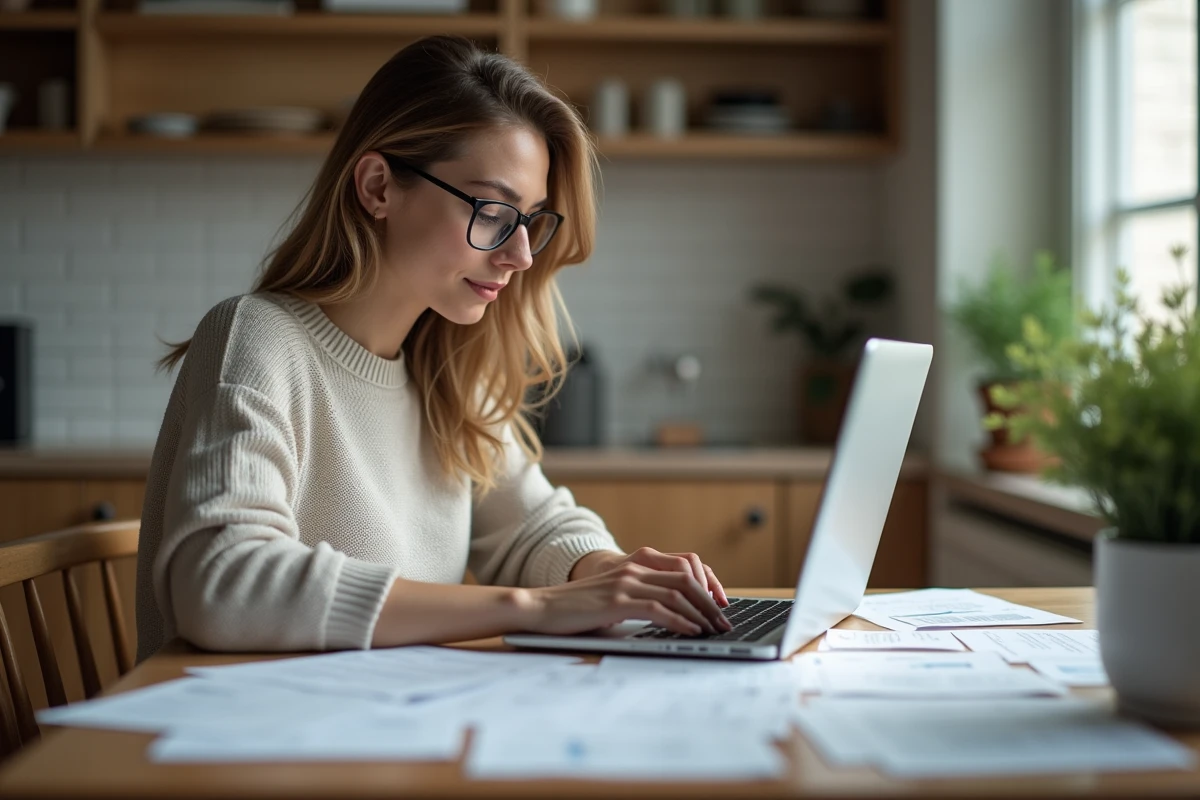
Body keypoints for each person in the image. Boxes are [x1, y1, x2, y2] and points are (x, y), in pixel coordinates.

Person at [134, 35, 731, 663]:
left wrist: (615, 575)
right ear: (377, 187)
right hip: (247, 746)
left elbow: (533, 526)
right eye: (494, 211)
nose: (521, 254)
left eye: (530, 220)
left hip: (389, 732)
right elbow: (222, 583)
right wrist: (535, 608)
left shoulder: (446, 367)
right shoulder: (257, 338)